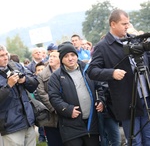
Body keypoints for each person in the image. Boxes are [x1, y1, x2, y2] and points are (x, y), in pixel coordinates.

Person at [87, 9, 150, 146]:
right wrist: (111, 73)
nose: (127, 26)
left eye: (128, 23)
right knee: (135, 141)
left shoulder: (135, 40)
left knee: (148, 138)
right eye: (124, 24)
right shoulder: (102, 47)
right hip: (127, 102)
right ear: (113, 24)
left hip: (146, 98)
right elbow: (91, 71)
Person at [47, 41, 105, 146]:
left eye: (72, 55)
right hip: (71, 127)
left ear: (76, 55)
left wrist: (101, 100)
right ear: (61, 59)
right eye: (66, 56)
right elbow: (54, 97)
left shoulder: (88, 69)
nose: (70, 58)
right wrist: (68, 110)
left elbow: (100, 86)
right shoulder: (56, 77)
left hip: (91, 124)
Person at [0, 45, 39, 146]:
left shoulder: (16, 66)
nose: (5, 58)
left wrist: (25, 80)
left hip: (28, 121)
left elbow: (34, 83)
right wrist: (8, 86)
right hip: (10, 125)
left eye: (6, 54)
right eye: (1, 55)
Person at [36, 51, 63, 146]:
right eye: (50, 56)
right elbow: (41, 93)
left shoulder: (65, 71)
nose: (51, 58)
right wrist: (56, 108)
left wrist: (65, 108)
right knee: (54, 142)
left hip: (67, 114)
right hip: (51, 115)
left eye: (54, 56)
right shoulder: (42, 75)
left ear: (60, 59)